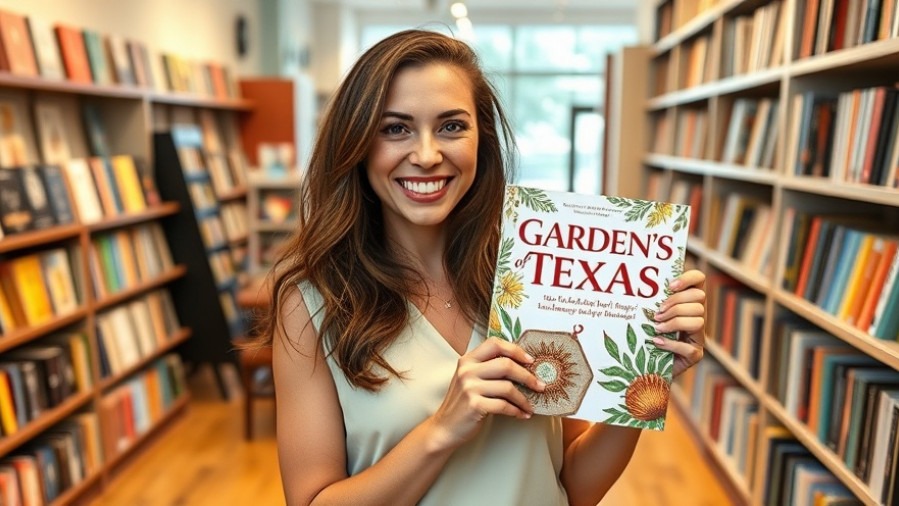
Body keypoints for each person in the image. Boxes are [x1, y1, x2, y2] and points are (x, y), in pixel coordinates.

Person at [261, 29, 706, 506]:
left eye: (452, 126)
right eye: (395, 128)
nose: (428, 155)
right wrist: (441, 430)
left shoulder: (535, 272)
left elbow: (572, 485)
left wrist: (643, 380)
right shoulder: (313, 301)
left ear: (482, 140)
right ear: (358, 144)